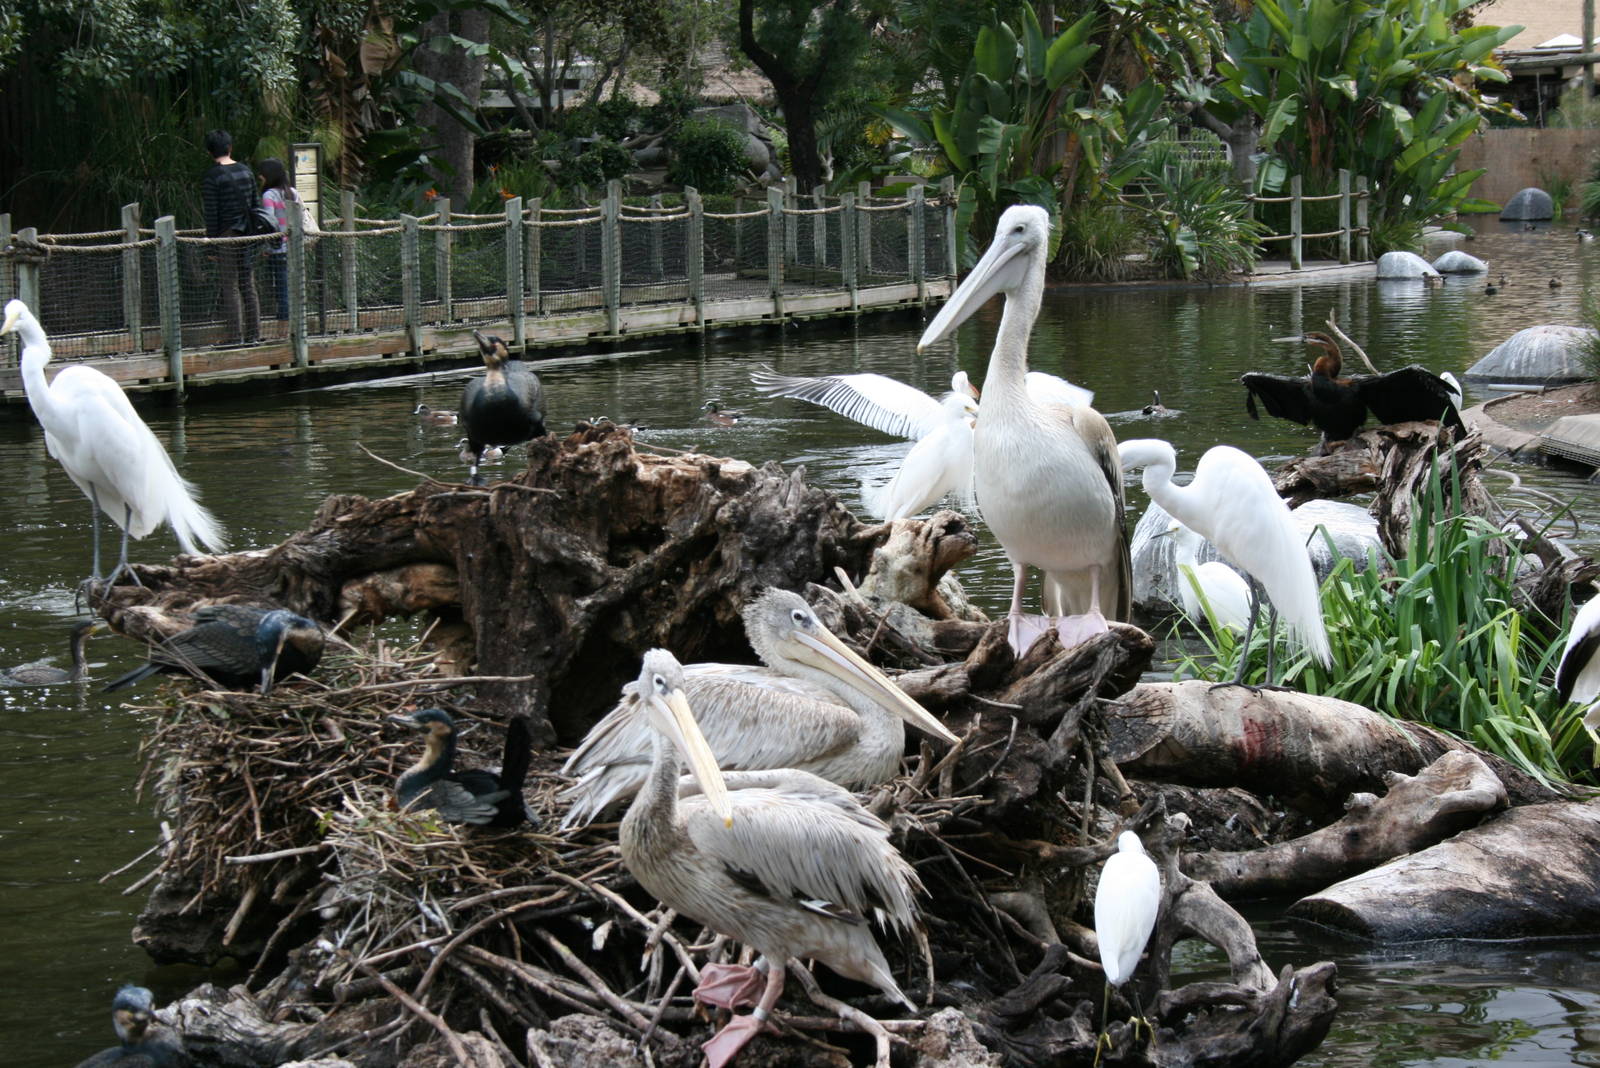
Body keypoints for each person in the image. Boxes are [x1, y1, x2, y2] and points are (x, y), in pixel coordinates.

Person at [201, 129, 260, 345]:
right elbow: (255, 205)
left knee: (230, 284)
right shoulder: (246, 171)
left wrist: (211, 246)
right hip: (249, 234)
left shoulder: (212, 177)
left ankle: (235, 337)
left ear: (209, 152)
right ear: (230, 147)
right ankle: (254, 335)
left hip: (227, 235)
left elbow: (212, 214)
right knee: (248, 284)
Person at [258, 157, 292, 323]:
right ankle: (293, 323)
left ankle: (284, 325)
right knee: (291, 285)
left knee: (281, 288)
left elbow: (268, 221)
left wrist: (265, 246)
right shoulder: (292, 192)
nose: (260, 177)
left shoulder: (268, 195)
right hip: (293, 247)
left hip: (277, 248)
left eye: (262, 174)